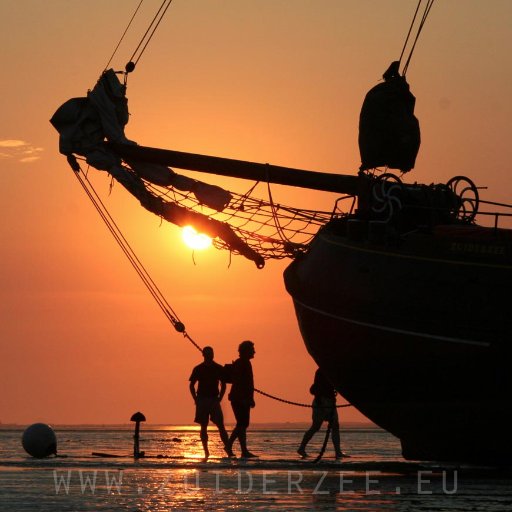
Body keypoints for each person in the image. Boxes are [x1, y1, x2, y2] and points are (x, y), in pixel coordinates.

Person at [189, 346, 234, 460]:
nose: (210, 355)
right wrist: (195, 399)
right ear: (204, 355)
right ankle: (206, 452)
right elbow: (191, 385)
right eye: (208, 353)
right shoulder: (198, 368)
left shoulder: (218, 368)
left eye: (212, 353)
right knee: (203, 426)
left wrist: (220, 397)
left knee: (221, 426)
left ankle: (228, 450)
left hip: (214, 400)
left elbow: (223, 384)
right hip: (202, 400)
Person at [297, 368, 343, 460]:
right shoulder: (323, 370)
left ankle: (338, 452)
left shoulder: (325, 370)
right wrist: (320, 401)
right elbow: (317, 387)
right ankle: (301, 448)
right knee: (316, 427)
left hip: (328, 401)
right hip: (322, 401)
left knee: (334, 426)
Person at [226, 340, 257, 458]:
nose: (254, 351)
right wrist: (246, 399)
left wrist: (250, 398)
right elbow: (240, 382)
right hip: (239, 398)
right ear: (246, 351)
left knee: (242, 424)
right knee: (242, 424)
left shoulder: (244, 363)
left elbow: (248, 383)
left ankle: (243, 450)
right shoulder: (242, 363)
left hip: (241, 397)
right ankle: (229, 445)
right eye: (252, 349)